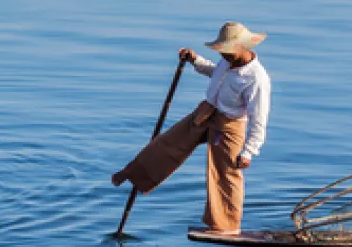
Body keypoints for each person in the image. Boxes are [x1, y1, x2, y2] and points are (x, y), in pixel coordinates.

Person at [111, 21, 271, 235]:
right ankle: (135, 175)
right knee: (167, 144)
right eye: (222, 50)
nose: (224, 55)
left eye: (228, 51)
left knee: (225, 174)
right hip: (206, 112)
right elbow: (216, 73)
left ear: (243, 48)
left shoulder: (257, 79)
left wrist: (249, 151)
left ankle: (227, 226)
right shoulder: (227, 62)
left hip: (230, 126)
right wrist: (195, 60)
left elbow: (259, 119)